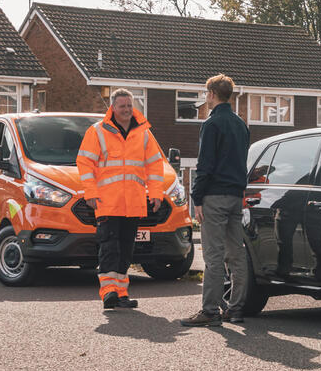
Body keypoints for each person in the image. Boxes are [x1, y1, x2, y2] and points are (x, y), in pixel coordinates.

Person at [77, 88, 164, 309]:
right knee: (109, 248)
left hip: (133, 203)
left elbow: (154, 165)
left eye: (129, 106)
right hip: (107, 202)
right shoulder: (97, 132)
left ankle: (122, 293)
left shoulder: (144, 133)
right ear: (113, 108)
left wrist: (155, 194)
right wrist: (91, 194)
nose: (126, 110)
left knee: (127, 249)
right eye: (121, 106)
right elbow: (85, 164)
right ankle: (108, 292)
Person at [181, 74, 250, 326]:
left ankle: (209, 311)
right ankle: (236, 309)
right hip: (235, 196)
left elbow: (205, 165)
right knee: (236, 254)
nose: (205, 98)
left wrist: (197, 197)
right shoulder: (241, 124)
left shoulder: (211, 124)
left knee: (213, 255)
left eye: (206, 93)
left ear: (212, 94)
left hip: (214, 196)